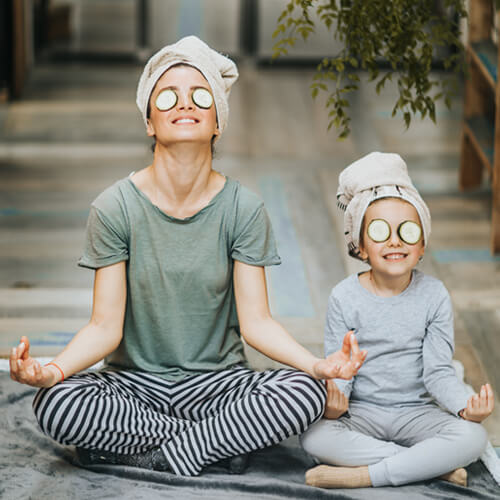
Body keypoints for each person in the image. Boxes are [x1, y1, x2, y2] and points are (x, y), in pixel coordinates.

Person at [9, 36, 366, 477]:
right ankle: (214, 444)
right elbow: (104, 327)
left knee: (305, 391)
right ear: (149, 122)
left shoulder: (243, 208)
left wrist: (317, 365)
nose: (185, 104)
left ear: (218, 122)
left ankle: (156, 453)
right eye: (167, 96)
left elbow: (258, 324)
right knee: (57, 402)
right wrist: (55, 370)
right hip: (133, 385)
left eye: (200, 96)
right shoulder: (113, 207)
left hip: (219, 385)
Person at [301, 152, 494, 489]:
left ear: (421, 246)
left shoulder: (434, 295)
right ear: (360, 246)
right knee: (313, 436)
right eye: (379, 231)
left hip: (416, 413)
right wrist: (335, 402)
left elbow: (438, 372)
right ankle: (428, 465)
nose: (394, 240)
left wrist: (466, 409)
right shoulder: (344, 297)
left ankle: (366, 474)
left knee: (473, 436)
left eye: (407, 231)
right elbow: (340, 367)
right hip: (362, 413)